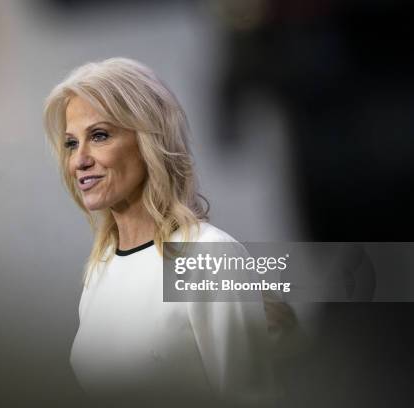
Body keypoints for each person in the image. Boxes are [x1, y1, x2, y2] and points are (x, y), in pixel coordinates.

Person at [43, 57, 277, 406]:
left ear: (148, 139)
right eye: (71, 143)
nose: (79, 160)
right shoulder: (100, 268)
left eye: (100, 136)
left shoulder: (208, 256)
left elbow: (253, 397)